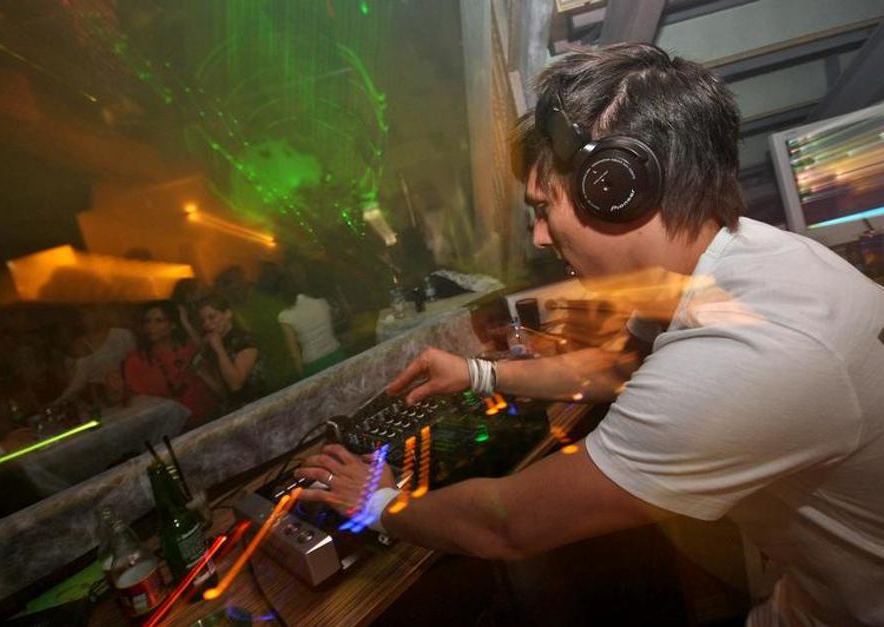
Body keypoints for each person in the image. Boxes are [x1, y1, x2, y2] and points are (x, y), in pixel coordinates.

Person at [296, 43, 884, 626]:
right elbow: (617, 368)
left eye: (543, 208)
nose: (540, 237)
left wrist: (378, 504)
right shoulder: (742, 256)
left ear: (615, 189)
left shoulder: (749, 354)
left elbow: (509, 525)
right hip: (817, 586)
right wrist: (478, 374)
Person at [123, 301, 218, 429]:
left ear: (173, 325)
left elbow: (205, 352)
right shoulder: (136, 360)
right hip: (172, 428)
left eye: (159, 321)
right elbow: (138, 404)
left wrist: (185, 323)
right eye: (147, 321)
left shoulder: (187, 349)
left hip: (209, 419)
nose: (151, 326)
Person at [54, 305, 134, 404]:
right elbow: (76, 384)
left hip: (130, 394)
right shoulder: (78, 346)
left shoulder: (123, 335)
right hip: (97, 400)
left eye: (92, 311)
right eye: (84, 314)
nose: (90, 317)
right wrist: (58, 403)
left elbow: (137, 365)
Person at [277, 267, 347, 379]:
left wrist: (301, 376)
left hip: (315, 364)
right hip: (337, 355)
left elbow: (294, 353)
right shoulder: (321, 302)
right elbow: (331, 329)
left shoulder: (285, 316)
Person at [195, 294, 261, 410]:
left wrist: (219, 349)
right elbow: (224, 393)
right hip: (235, 409)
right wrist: (202, 373)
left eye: (212, 317)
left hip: (257, 406)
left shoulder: (245, 340)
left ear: (228, 314)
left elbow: (236, 385)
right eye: (203, 320)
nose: (206, 324)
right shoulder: (217, 343)